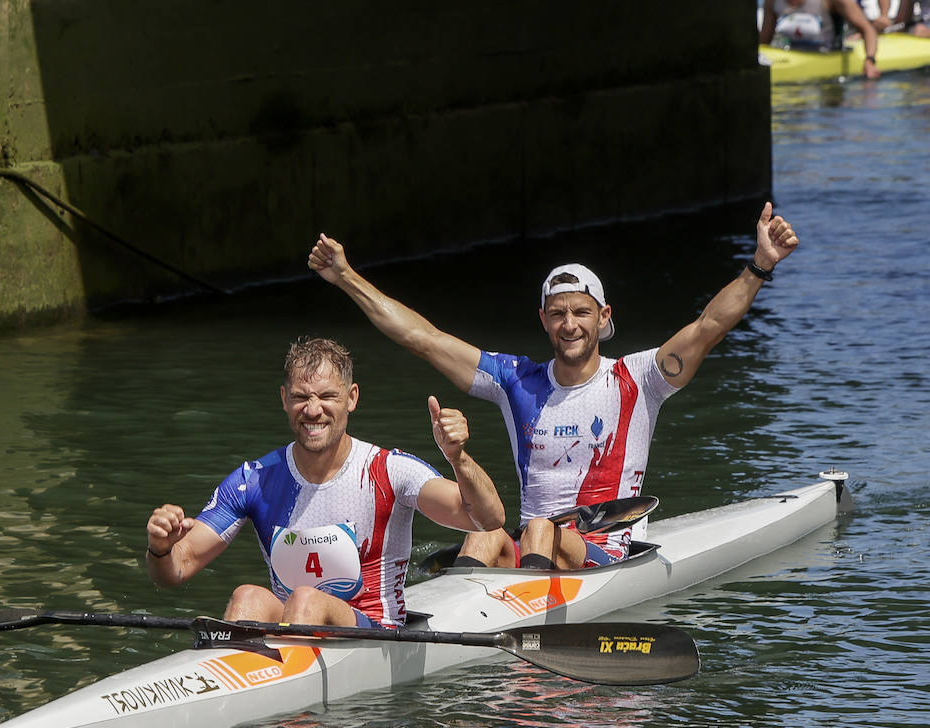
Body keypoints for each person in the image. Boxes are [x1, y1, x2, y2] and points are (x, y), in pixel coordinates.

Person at [308, 203, 799, 571]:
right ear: (543, 320)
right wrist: (346, 277)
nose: (570, 325)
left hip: (606, 552)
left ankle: (526, 644)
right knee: (486, 530)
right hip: (533, 549)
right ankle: (456, 639)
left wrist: (760, 265)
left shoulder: (639, 378)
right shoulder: (514, 381)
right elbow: (424, 339)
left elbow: (709, 324)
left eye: (581, 312)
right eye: (559, 313)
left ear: (602, 317)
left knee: (540, 527)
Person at [145, 337, 505, 629]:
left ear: (351, 399)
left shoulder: (389, 470)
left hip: (377, 631)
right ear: (285, 400)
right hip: (296, 625)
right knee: (247, 597)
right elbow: (174, 571)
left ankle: (291, 711)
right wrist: (160, 547)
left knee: (305, 599)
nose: (313, 410)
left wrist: (458, 459)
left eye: (327, 396)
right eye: (301, 397)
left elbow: (487, 519)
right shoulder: (254, 479)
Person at [760, 0, 884, 79]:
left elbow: (868, 29)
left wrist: (870, 60)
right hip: (792, 55)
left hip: (828, 56)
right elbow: (764, 43)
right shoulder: (772, 2)